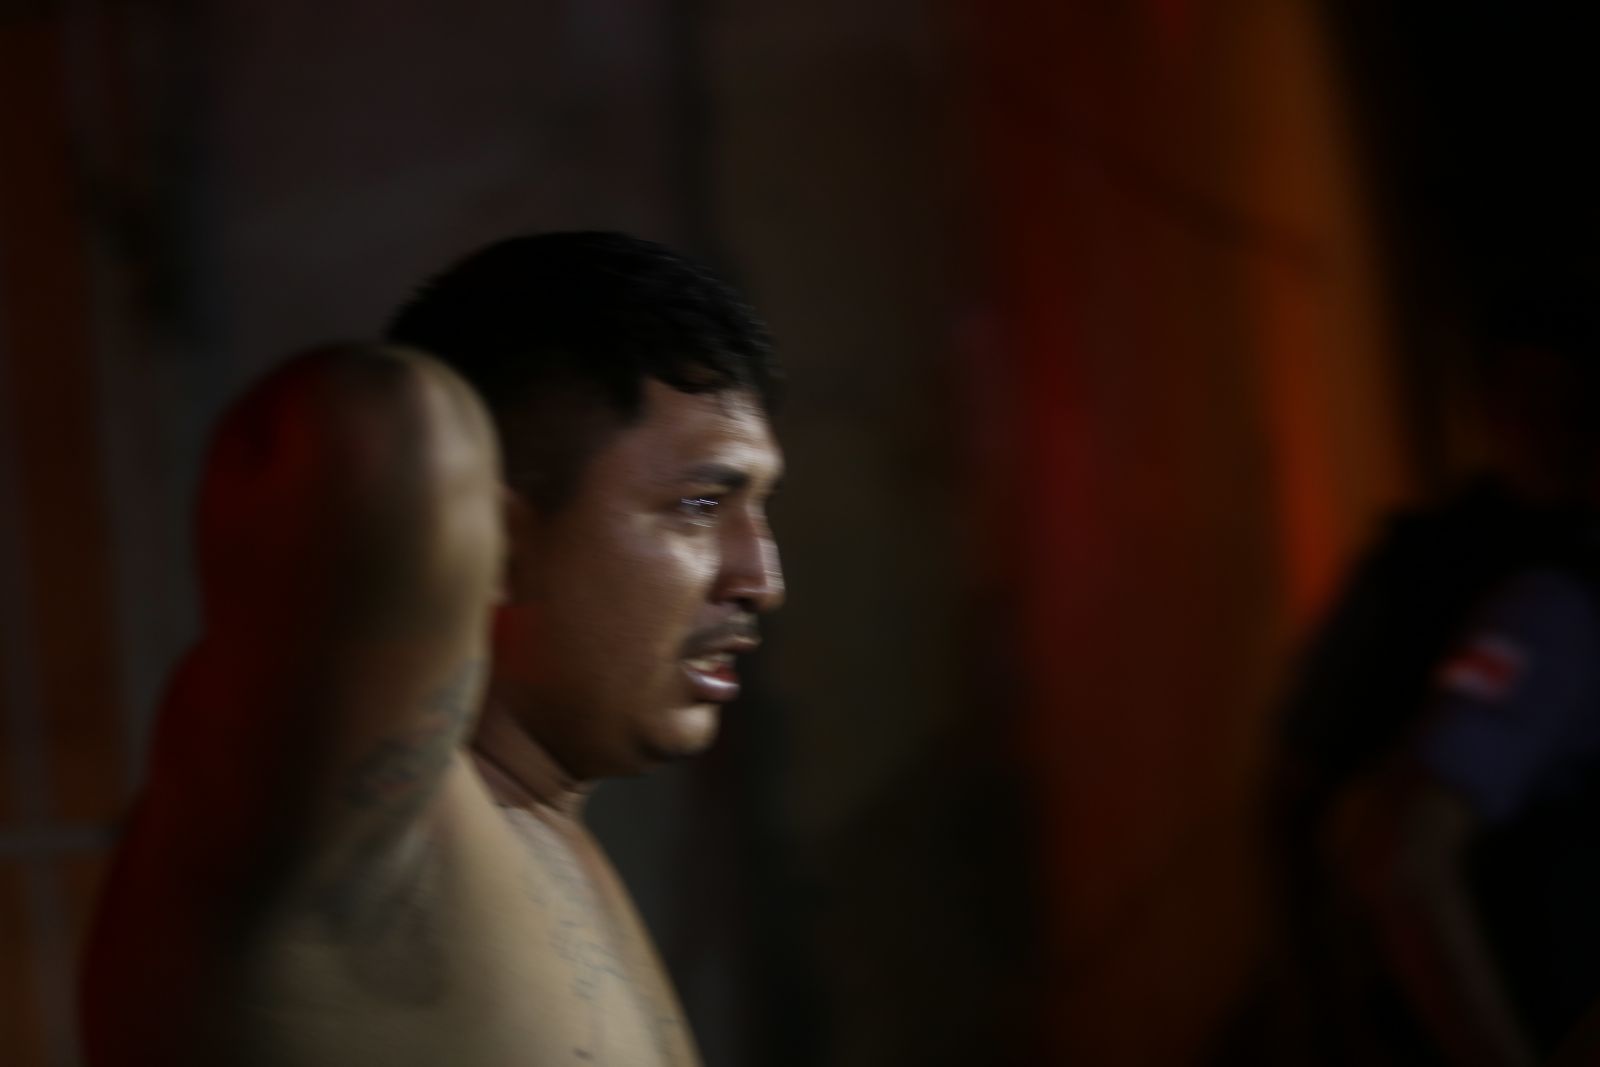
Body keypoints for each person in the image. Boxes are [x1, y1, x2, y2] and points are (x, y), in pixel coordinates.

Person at [81, 232, 786, 1066]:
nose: (762, 578)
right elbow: (380, 429)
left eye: (758, 509)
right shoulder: (340, 829)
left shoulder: (540, 826)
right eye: (700, 505)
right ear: (499, 539)